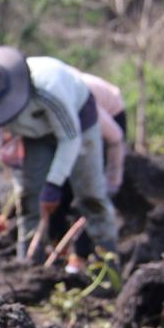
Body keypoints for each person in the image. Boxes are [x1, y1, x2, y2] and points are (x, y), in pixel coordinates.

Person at [0, 47, 118, 261]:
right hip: (35, 135)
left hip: (78, 124)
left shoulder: (47, 88)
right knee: (30, 197)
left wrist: (54, 185)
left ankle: (108, 269)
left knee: (91, 197)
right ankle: (28, 265)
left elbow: (70, 138)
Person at [57, 71, 126, 272]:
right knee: (64, 189)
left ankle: (81, 256)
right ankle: (61, 250)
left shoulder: (86, 107)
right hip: (74, 119)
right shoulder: (49, 106)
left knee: (91, 192)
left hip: (109, 114)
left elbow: (115, 138)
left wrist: (113, 180)